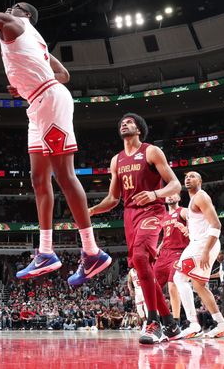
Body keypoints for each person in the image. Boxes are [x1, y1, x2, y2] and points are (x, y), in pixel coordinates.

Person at [0, 5, 111, 285]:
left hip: (49, 100)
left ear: (22, 12)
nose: (6, 9)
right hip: (37, 103)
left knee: (64, 175)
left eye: (12, 8)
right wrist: (27, 84)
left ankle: (92, 251)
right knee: (39, 179)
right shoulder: (37, 40)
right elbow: (64, 74)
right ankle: (46, 252)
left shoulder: (11, 20)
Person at [89, 113, 182, 344]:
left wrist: (154, 193)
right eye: (122, 122)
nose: (124, 123)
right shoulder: (116, 160)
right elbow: (112, 198)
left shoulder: (151, 151)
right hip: (129, 214)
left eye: (129, 122)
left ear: (139, 129)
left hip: (152, 210)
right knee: (143, 272)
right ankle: (170, 324)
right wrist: (90, 211)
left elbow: (175, 184)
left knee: (141, 258)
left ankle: (153, 322)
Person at [172, 172, 224, 338]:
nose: (188, 178)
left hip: (203, 244)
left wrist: (205, 250)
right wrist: (188, 232)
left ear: (200, 181)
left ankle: (193, 324)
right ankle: (221, 324)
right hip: (200, 242)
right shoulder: (193, 200)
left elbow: (216, 224)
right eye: (186, 177)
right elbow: (201, 225)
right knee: (199, 286)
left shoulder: (200, 197)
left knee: (179, 278)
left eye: (193, 176)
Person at [154, 193, 195, 337]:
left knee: (172, 285)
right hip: (164, 253)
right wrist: (159, 247)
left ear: (179, 197)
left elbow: (193, 222)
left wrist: (188, 230)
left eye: (174, 195)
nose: (170, 197)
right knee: (153, 287)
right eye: (168, 195)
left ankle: (175, 322)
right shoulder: (163, 216)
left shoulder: (183, 211)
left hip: (178, 252)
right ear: (164, 199)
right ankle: (155, 321)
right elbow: (166, 235)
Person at [127, 267, 147, 333]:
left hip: (145, 290)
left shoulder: (142, 267)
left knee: (146, 308)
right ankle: (145, 322)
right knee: (139, 309)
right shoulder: (131, 271)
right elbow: (129, 282)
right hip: (137, 291)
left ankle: (149, 324)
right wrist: (130, 290)